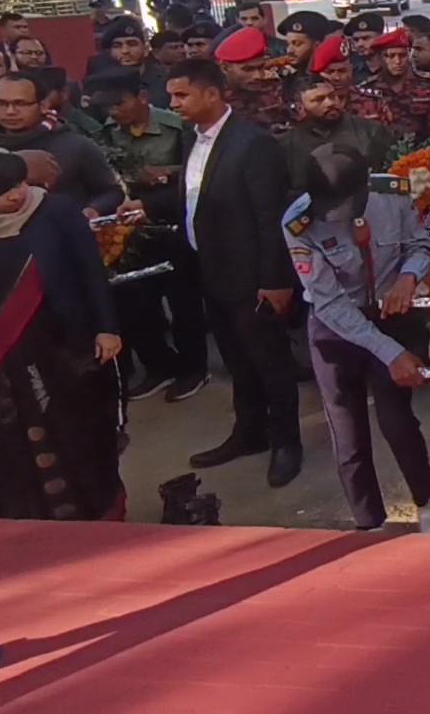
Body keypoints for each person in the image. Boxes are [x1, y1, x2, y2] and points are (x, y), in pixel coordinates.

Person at [130, 59, 303, 487]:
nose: (173, 104)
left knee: (270, 362)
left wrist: (275, 280)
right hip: (211, 270)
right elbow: (196, 193)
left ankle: (287, 442)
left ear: (212, 94)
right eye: (171, 95)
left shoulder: (253, 144)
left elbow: (271, 218)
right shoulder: (194, 138)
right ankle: (249, 432)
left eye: (181, 95)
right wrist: (146, 206)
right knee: (236, 360)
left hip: (253, 277)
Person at [0, 148, 123, 521]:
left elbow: (92, 275)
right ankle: (26, 525)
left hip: (63, 353)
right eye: (1, 187)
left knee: (77, 434)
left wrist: (106, 328)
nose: (16, 194)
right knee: (9, 445)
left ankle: (97, 517)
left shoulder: (57, 212)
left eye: (19, 183)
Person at [284, 144, 430, 535]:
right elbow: (330, 303)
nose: (337, 217)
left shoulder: (393, 193)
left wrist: (408, 276)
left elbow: (419, 245)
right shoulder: (298, 224)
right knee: (347, 431)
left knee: (397, 420)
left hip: (391, 315)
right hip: (336, 328)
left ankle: (426, 504)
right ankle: (369, 523)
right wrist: (390, 353)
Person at [86, 70, 211, 403]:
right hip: (128, 231)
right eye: (107, 107)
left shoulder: (178, 127)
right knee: (136, 305)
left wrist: (168, 174)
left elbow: (201, 171)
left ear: (142, 96)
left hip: (173, 224)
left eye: (119, 103)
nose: (114, 112)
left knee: (183, 304)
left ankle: (194, 368)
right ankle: (160, 366)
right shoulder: (106, 133)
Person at [0, 73, 123, 215]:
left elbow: (111, 192)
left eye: (20, 103)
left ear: (43, 105)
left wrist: (94, 209)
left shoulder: (77, 145)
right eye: (0, 103)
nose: (10, 111)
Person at [282, 73, 395, 191]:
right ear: (300, 108)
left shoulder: (371, 131)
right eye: (319, 100)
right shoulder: (287, 145)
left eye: (332, 96)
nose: (330, 103)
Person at [353, 28, 430, 140]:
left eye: (402, 55)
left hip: (424, 147)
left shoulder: (428, 84)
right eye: (390, 56)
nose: (397, 61)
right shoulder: (366, 90)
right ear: (380, 58)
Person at [214, 26, 292, 132]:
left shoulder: (273, 87)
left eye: (261, 67)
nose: (257, 75)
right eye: (248, 69)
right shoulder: (213, 98)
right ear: (225, 67)